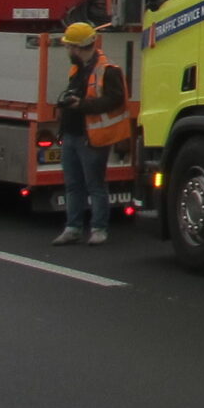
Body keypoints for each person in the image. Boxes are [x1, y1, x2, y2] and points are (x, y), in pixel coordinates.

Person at [53, 22, 130, 246]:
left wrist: (82, 105)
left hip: (92, 138)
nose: (67, 51)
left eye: (69, 47)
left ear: (78, 47)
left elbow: (115, 99)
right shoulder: (77, 68)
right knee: (73, 184)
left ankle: (98, 229)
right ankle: (73, 228)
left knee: (95, 184)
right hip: (72, 134)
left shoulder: (108, 69)